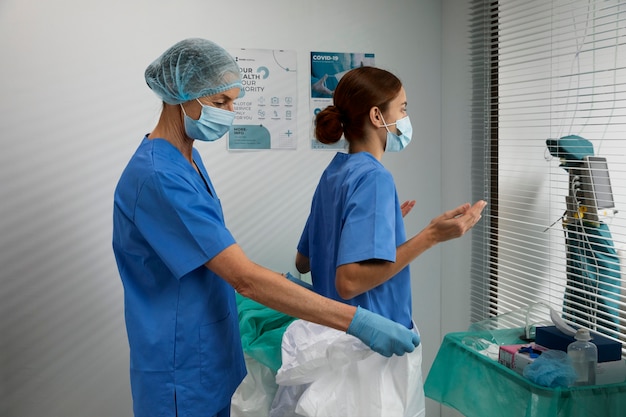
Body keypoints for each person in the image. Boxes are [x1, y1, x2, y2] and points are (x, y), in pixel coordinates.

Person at [111, 38, 420, 417]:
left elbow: (211, 252)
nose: (231, 112)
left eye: (233, 100)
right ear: (181, 96)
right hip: (181, 368)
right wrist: (359, 321)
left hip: (211, 352)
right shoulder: (160, 175)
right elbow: (243, 277)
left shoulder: (186, 161)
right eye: (220, 102)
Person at [293, 66, 487, 412]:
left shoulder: (334, 173)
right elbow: (349, 281)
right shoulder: (374, 178)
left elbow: (303, 261)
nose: (406, 117)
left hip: (330, 343)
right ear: (376, 115)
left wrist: (377, 227)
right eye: (403, 108)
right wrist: (430, 236)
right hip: (366, 354)